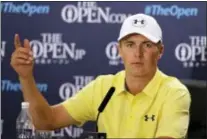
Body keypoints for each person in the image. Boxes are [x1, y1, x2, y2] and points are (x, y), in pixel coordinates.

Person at [11, 13, 191, 138]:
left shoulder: (174, 92)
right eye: (130, 44)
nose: (138, 53)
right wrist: (26, 77)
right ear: (118, 50)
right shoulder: (103, 87)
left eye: (147, 45)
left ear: (160, 51)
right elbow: (46, 122)